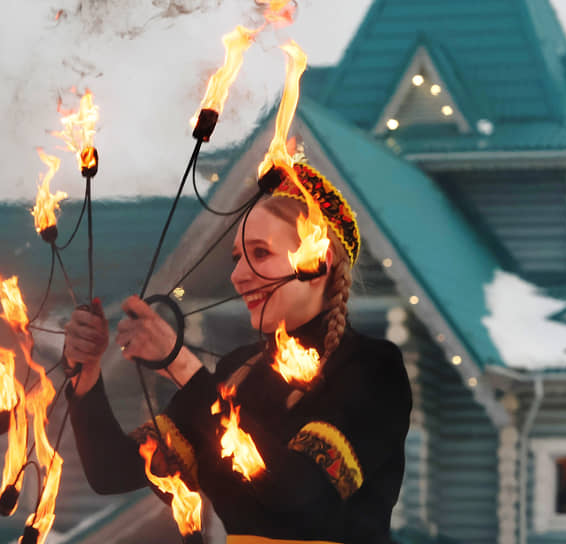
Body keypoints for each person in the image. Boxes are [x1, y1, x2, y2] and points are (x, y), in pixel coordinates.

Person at [63, 162, 412, 544]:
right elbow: (112, 470)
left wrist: (182, 366)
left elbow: (300, 496)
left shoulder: (372, 367)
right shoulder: (237, 372)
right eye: (236, 259)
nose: (237, 275)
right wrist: (86, 373)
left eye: (260, 254)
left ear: (318, 261)